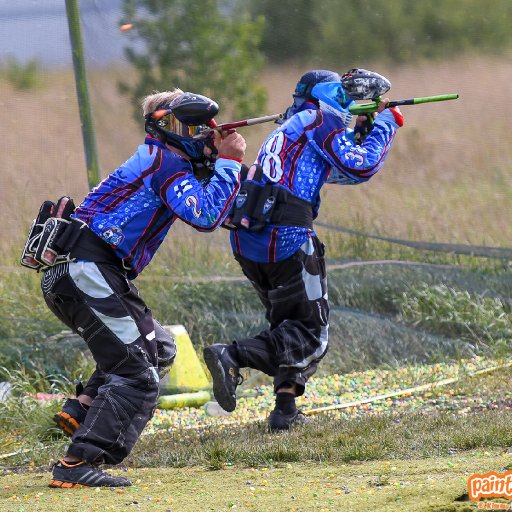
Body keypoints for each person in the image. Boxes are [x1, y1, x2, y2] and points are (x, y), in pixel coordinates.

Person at [32, 89, 245, 487]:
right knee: (139, 374)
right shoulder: (164, 162)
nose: (197, 135)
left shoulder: (162, 159)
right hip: (88, 271)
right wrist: (230, 162)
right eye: (188, 127)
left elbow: (215, 202)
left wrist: (217, 161)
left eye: (201, 128)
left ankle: (82, 408)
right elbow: (205, 215)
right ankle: (77, 464)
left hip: (83, 272)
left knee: (159, 347)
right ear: (163, 125)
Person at [202, 69, 403, 431]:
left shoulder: (294, 127)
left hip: (252, 239)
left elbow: (334, 170)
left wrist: (362, 130)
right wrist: (387, 122)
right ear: (327, 96)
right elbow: (361, 167)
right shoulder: (320, 120)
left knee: (288, 325)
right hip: (287, 238)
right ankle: (231, 355)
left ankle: (284, 411)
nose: (348, 101)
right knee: (312, 334)